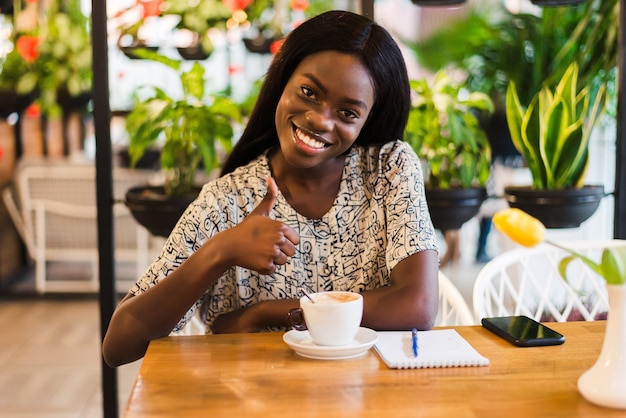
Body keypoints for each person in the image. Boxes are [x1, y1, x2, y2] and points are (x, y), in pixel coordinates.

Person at [103, 10, 440, 368]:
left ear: (367, 120)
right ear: (283, 81)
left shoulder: (387, 169)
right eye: (309, 92)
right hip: (257, 399)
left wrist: (265, 313)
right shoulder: (227, 201)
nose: (321, 119)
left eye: (347, 113)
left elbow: (417, 307)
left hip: (370, 395)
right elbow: (118, 346)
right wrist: (221, 251)